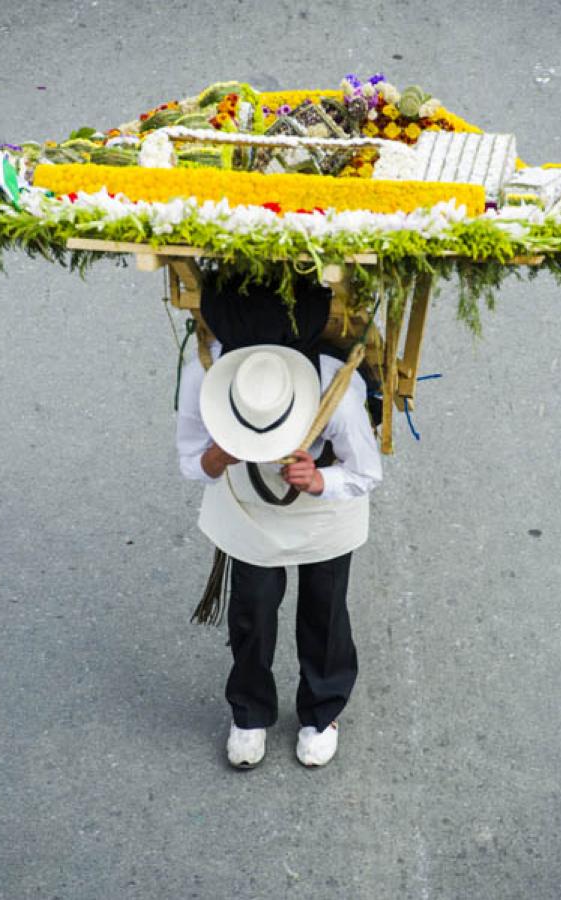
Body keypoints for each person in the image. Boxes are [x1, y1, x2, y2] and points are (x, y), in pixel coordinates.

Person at [176, 271, 383, 768]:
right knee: (252, 605)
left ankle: (322, 710)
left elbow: (366, 473)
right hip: (247, 500)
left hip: (325, 501)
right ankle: (249, 712)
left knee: (325, 606)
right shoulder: (201, 377)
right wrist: (218, 458)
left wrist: (320, 482)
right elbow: (188, 462)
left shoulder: (339, 391)